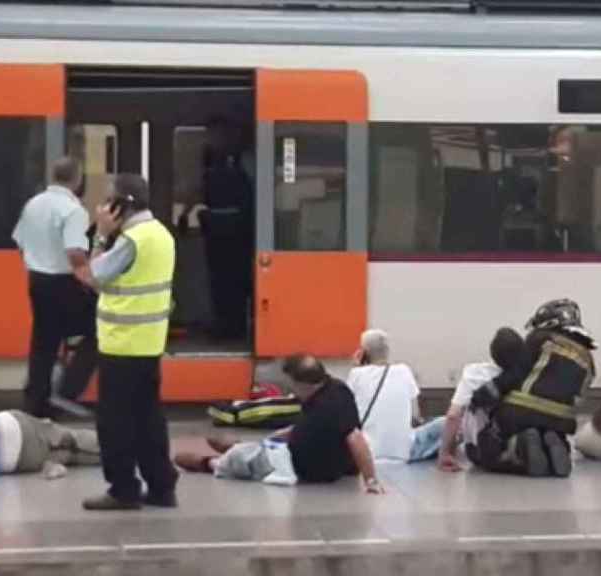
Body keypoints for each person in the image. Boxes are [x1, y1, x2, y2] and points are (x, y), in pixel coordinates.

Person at [80, 174, 180, 511]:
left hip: (121, 345)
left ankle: (123, 488)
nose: (102, 208)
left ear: (123, 205)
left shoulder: (131, 240)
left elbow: (94, 276)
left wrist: (100, 236)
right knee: (149, 418)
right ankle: (162, 487)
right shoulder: (162, 235)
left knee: (115, 422)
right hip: (149, 343)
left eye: (107, 202)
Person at [174, 355, 385, 494]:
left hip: (298, 465)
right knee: (261, 445)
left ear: (303, 384)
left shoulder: (327, 406)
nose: (290, 389)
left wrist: (371, 480)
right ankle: (240, 446)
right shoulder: (336, 388)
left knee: (241, 458)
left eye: (291, 384)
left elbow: (354, 437)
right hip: (304, 451)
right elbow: (324, 430)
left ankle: (209, 462)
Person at [469, 300, 596, 477]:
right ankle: (557, 444)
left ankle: (516, 447)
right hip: (562, 420)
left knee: (489, 447)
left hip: (521, 411)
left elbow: (516, 373)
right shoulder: (588, 360)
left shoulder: (541, 339)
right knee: (549, 433)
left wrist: (483, 395)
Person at [12, 156, 98, 418]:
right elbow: (75, 253)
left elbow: (20, 242)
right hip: (64, 283)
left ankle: (35, 402)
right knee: (101, 327)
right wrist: (94, 284)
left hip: (37, 281)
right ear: (78, 178)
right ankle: (67, 391)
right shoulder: (73, 210)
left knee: (43, 341)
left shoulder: (33, 204)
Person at [346, 329, 444, 463]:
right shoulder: (404, 370)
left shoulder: (356, 374)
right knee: (446, 422)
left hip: (367, 452)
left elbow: (349, 412)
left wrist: (356, 366)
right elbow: (415, 415)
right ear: (387, 350)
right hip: (405, 452)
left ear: (363, 352)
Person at [195, 117, 254, 341]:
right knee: (218, 281)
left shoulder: (245, 161)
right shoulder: (211, 161)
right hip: (217, 231)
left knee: (233, 281)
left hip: (237, 232)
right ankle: (223, 323)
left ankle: (233, 327)